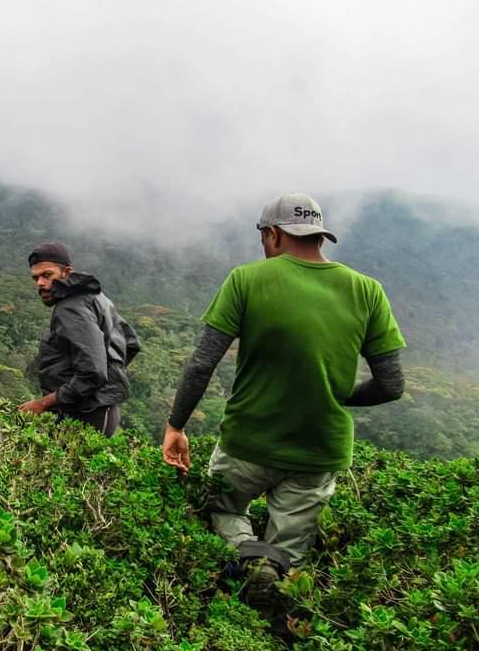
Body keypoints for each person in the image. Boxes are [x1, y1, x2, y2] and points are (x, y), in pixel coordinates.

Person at [161, 194, 405, 581]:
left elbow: (202, 363)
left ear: (273, 234)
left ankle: (246, 559)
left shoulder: (246, 279)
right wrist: (334, 395)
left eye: (263, 236)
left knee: (224, 510)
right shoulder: (368, 290)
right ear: (320, 236)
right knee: (290, 556)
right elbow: (391, 385)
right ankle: (273, 580)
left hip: (248, 441)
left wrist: (176, 426)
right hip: (319, 450)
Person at [20, 241, 139, 437]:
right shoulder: (95, 297)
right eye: (36, 278)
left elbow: (92, 372)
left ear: (67, 272)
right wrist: (109, 373)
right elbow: (131, 343)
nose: (40, 283)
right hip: (98, 409)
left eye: (47, 275)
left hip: (88, 412)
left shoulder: (70, 308)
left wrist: (42, 404)